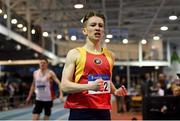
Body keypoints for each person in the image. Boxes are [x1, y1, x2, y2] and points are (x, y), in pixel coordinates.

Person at [60, 11, 127, 120]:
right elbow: (64, 85)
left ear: (103, 31)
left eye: (101, 26)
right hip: (81, 110)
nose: (97, 28)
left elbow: (106, 80)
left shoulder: (110, 56)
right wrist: (89, 86)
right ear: (85, 31)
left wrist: (115, 91)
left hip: (103, 112)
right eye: (93, 25)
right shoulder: (75, 53)